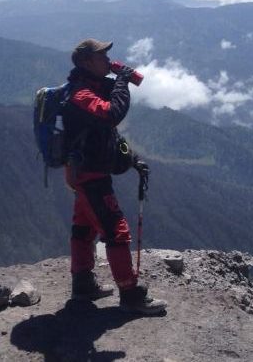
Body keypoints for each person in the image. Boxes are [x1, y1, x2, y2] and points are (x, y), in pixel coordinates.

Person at [62, 38, 167, 315]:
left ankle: (83, 284)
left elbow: (107, 136)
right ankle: (130, 294)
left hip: (86, 173)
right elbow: (112, 116)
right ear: (86, 62)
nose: (108, 60)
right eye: (102, 56)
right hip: (90, 176)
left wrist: (132, 160)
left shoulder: (93, 88)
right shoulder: (81, 94)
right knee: (116, 231)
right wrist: (122, 79)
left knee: (84, 228)